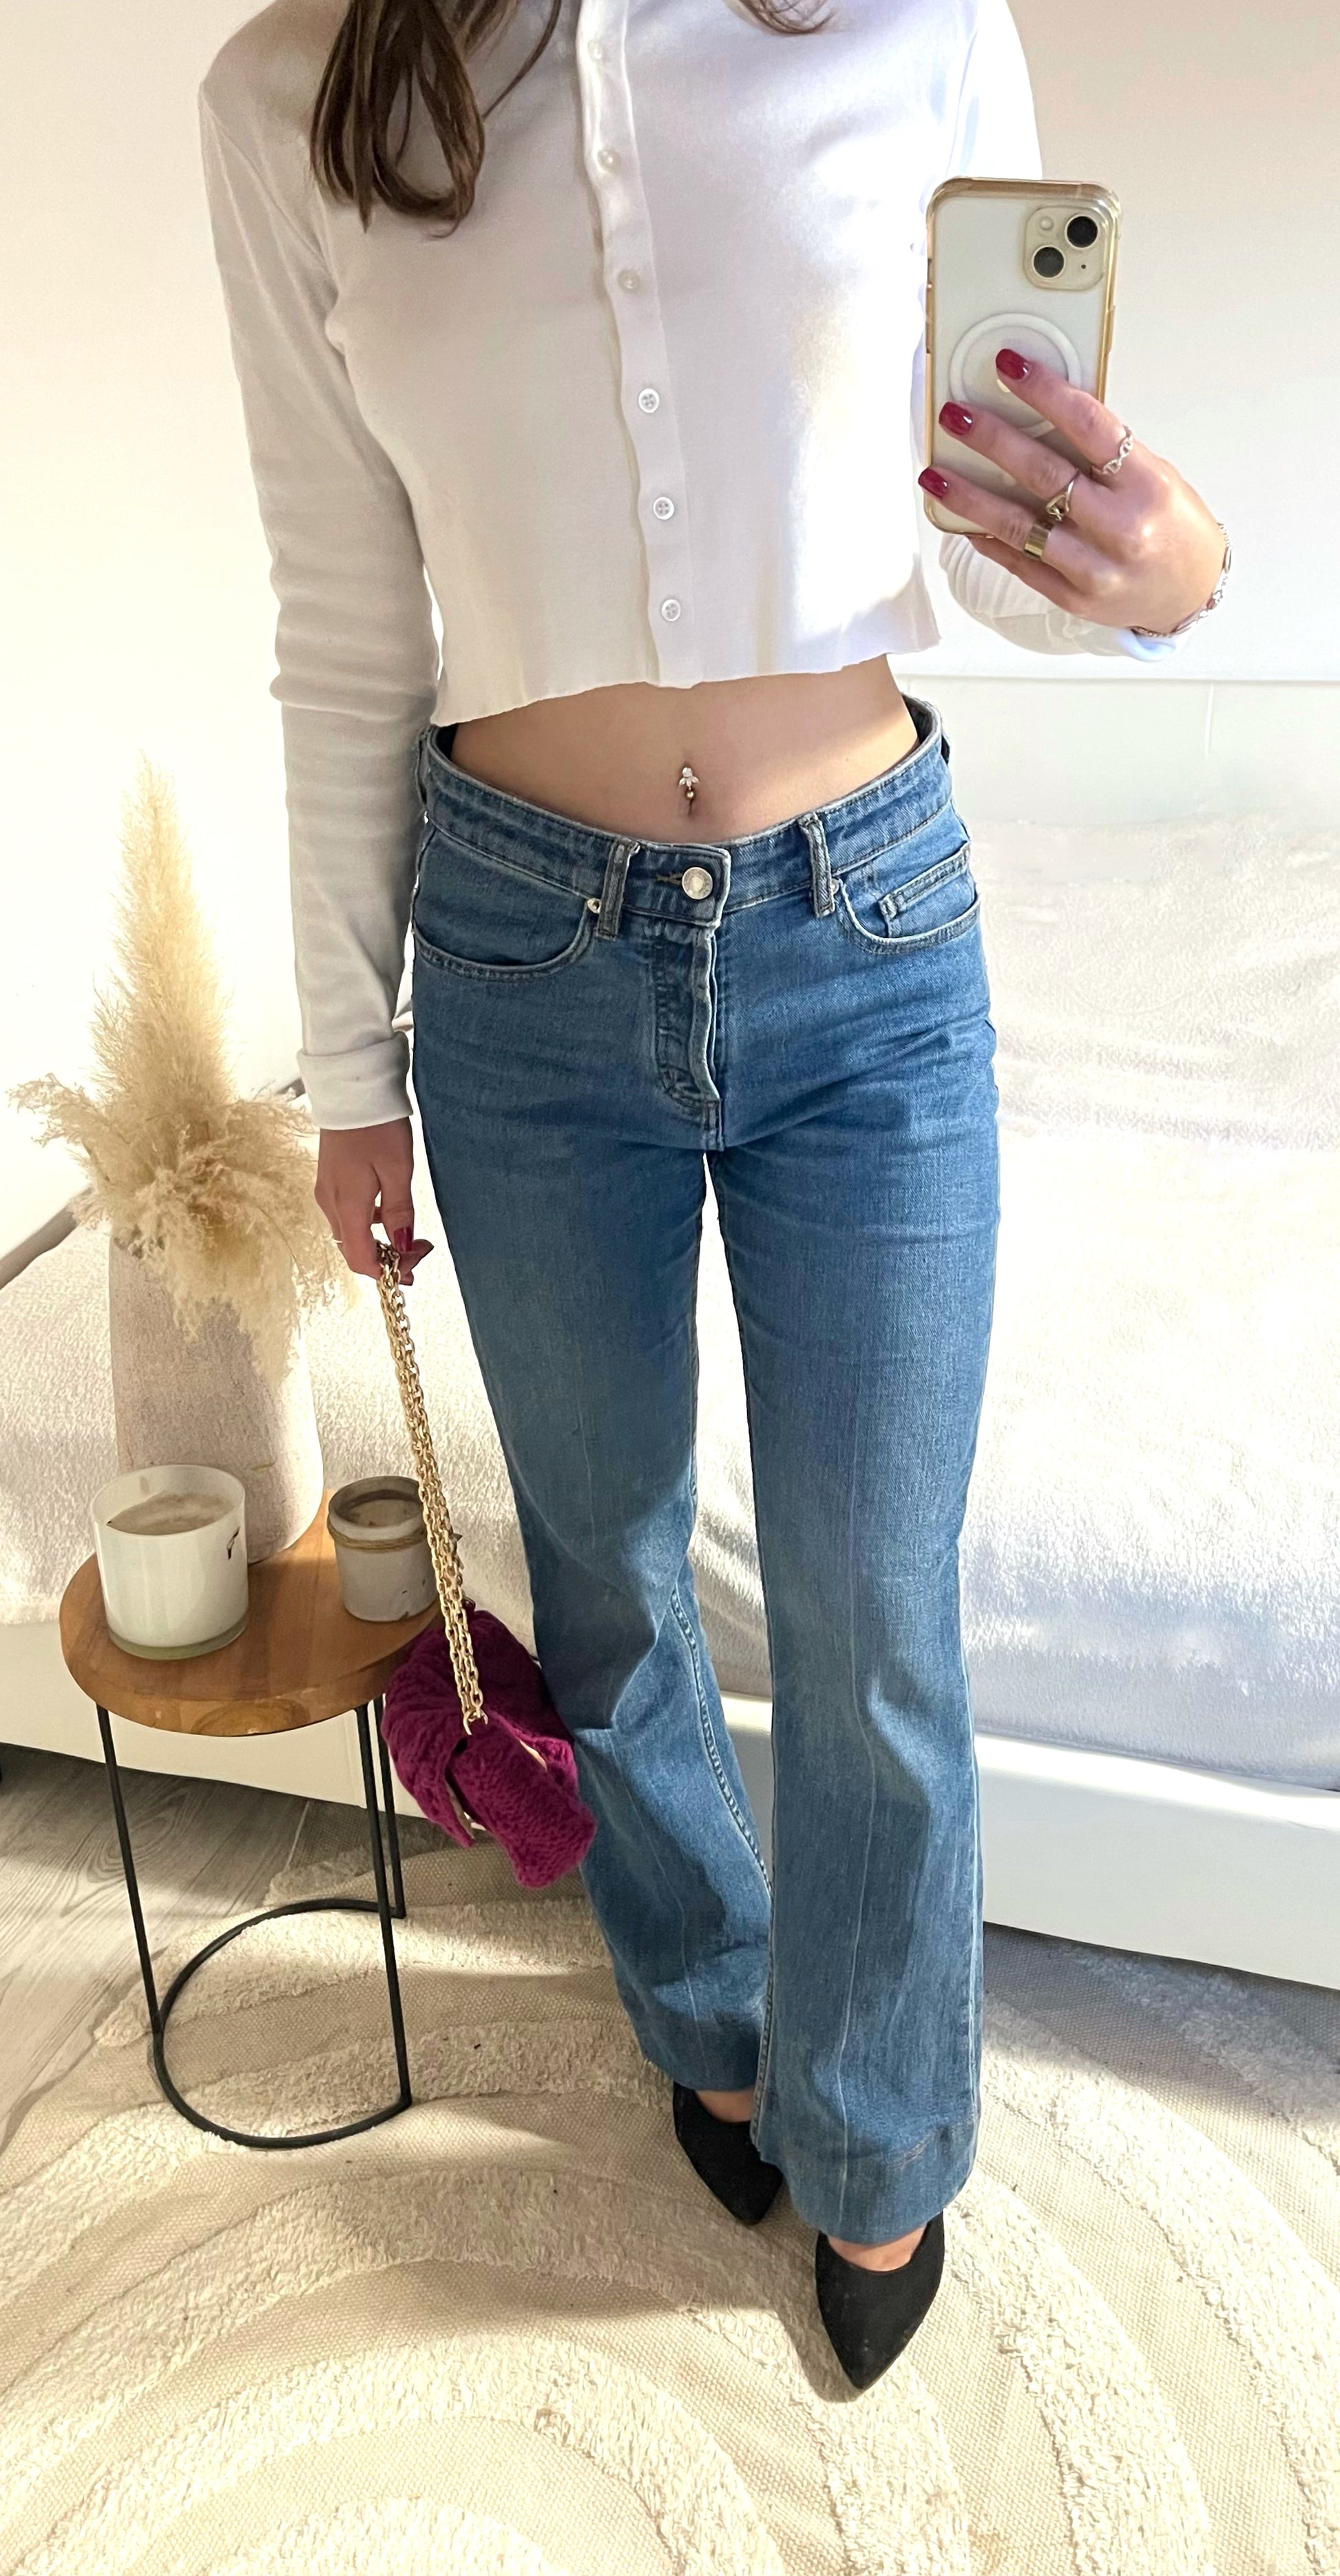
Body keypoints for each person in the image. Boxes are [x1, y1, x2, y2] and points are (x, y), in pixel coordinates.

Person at [198, 0, 1228, 2389]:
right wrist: (350, 1068)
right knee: (606, 1566)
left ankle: (880, 2135)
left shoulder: (908, 24)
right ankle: (703, 2009)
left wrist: (1160, 568)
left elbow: (1001, 532)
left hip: (865, 929)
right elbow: (343, 619)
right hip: (514, 961)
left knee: (874, 1611)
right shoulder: (295, 98)